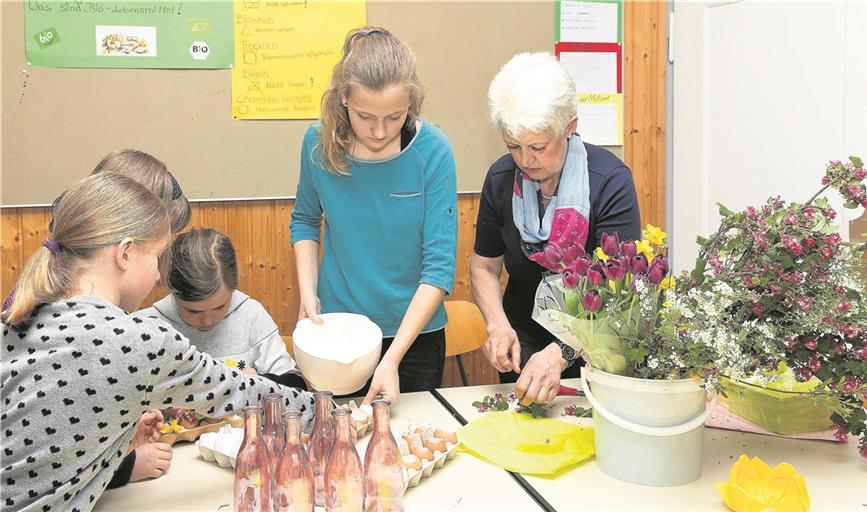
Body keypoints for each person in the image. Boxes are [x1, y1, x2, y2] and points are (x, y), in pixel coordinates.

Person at [0, 173, 314, 512]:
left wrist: (116, 443)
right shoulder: (136, 341)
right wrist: (335, 416)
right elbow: (245, 394)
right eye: (157, 257)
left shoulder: (21, 316)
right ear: (125, 254)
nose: (157, 276)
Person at [290, 26, 457, 403]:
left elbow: (438, 268)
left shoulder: (433, 152)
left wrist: (392, 358)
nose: (379, 131)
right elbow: (304, 221)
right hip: (337, 333)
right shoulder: (316, 145)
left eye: (395, 117)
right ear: (344, 97)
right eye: (365, 116)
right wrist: (307, 291)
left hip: (414, 338)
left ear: (411, 104)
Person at [471, 52, 641, 406]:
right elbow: (484, 266)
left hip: (597, 349)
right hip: (524, 346)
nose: (524, 160)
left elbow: (618, 293)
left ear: (569, 126)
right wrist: (498, 325)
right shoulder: (502, 179)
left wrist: (560, 352)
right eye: (513, 146)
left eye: (538, 147)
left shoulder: (609, 182)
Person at [140, 228, 306, 389]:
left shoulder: (250, 314)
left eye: (220, 307)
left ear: (233, 289)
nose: (207, 321)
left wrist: (258, 382)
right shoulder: (148, 326)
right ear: (172, 293)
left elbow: (296, 384)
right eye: (193, 311)